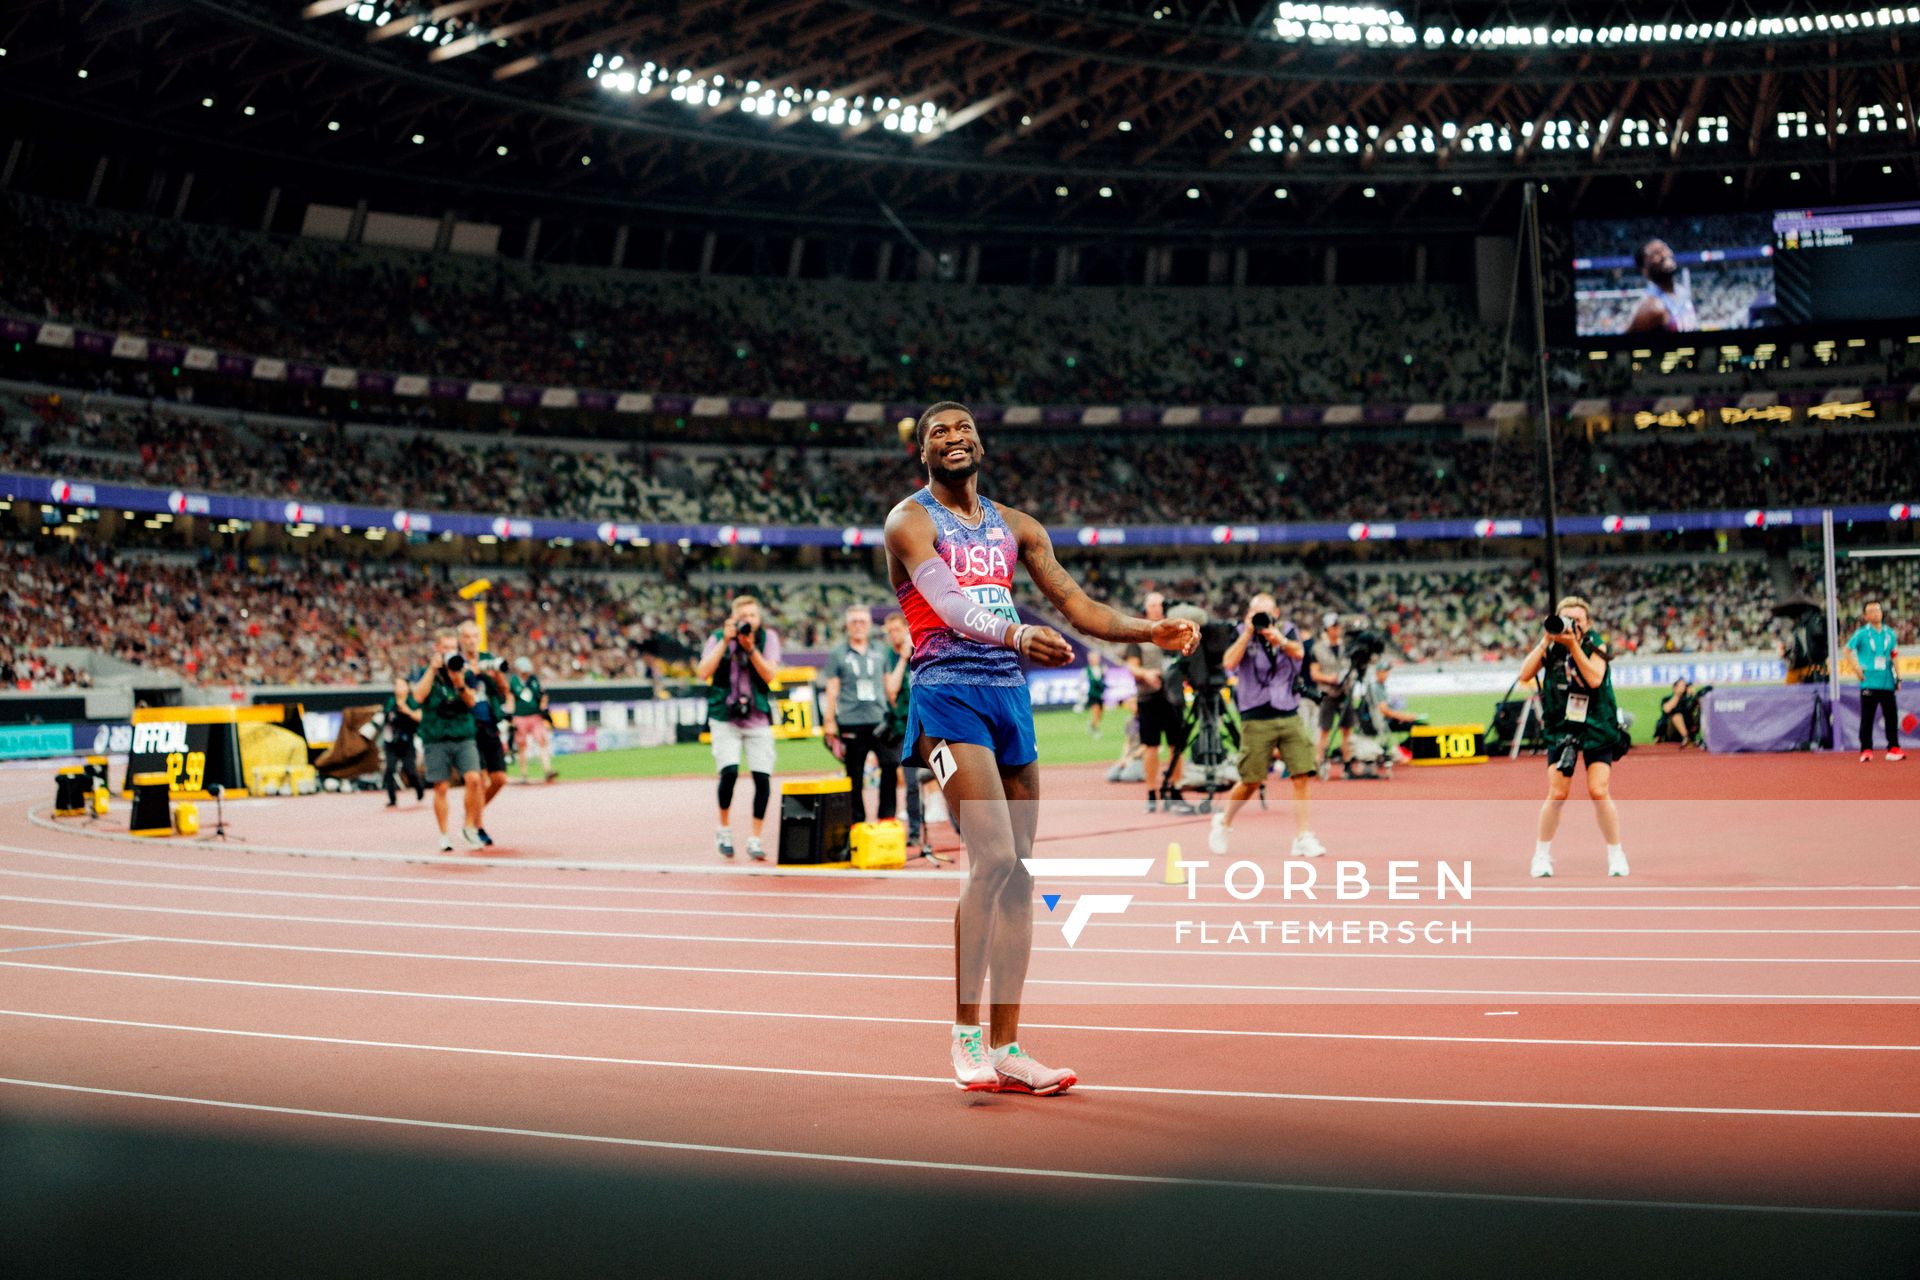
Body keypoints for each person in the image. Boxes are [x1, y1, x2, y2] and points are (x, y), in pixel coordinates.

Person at [886, 400, 1196, 1095]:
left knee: (1020, 873)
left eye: (963, 428)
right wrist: (1016, 635)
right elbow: (947, 603)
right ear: (924, 454)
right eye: (939, 432)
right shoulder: (908, 521)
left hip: (1008, 699)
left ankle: (1008, 1046)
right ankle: (965, 1038)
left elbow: (1077, 604)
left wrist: (1151, 634)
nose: (953, 437)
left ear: (981, 443)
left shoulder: (1018, 527)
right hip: (947, 693)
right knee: (991, 857)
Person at [1518, 597, 1630, 878]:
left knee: (1598, 790)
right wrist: (1546, 641)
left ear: (1587, 622)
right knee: (1557, 793)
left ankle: (1616, 853)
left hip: (1596, 723)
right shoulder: (1551, 643)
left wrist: (1573, 646)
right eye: (1566, 618)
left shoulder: (1595, 644)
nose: (1572, 624)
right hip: (1563, 725)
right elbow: (1524, 675)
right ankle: (1541, 855)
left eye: (1577, 619)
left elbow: (1593, 678)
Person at [1208, 593, 1324, 858]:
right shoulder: (1240, 633)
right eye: (1255, 614)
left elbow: (1299, 653)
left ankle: (1303, 836)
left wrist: (1278, 639)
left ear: (1277, 613)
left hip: (1287, 710)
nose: (1261, 619)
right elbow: (1228, 663)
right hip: (1256, 714)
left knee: (1301, 774)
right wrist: (1248, 633)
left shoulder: (1288, 631)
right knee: (1251, 780)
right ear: (1248, 615)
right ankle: (1224, 822)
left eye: (1266, 614)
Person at [696, 594, 783, 859]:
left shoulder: (768, 638)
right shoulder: (718, 636)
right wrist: (725, 641)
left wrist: (750, 648)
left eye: (753, 616)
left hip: (757, 716)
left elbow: (770, 674)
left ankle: (755, 838)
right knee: (729, 772)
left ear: (759, 618)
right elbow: (703, 671)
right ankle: (723, 829)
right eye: (743, 617)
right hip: (725, 716)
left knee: (762, 778)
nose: (749, 622)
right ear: (734, 618)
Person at [822, 605, 897, 824]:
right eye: (854, 621)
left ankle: (887, 817)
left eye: (862, 621)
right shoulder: (838, 653)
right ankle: (857, 821)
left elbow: (888, 685)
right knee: (854, 775)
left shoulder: (880, 650)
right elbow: (832, 688)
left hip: (880, 720)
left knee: (890, 766)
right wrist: (829, 721)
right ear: (847, 625)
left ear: (869, 625)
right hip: (850, 721)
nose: (858, 626)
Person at [409, 632, 484, 852]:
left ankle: (469, 826)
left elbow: (472, 702)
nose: (450, 652)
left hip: (463, 734)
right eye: (446, 648)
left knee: (473, 779)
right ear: (437, 649)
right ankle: (444, 834)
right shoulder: (426, 672)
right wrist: (433, 670)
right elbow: (417, 698)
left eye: (453, 647)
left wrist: (459, 683)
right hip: (436, 736)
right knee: (441, 786)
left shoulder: (464, 669)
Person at [882, 609, 943, 861]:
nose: (896, 634)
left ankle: (963, 826)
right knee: (910, 784)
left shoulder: (922, 649)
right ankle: (915, 832)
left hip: (930, 723)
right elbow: (891, 691)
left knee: (946, 775)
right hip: (904, 728)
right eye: (892, 631)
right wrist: (902, 659)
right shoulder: (888, 657)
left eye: (900, 629)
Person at [1125, 592, 1191, 814]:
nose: (1156, 608)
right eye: (1152, 605)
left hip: (1173, 696)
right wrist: (1145, 674)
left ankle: (1176, 790)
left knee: (1177, 746)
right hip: (1149, 697)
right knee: (1150, 746)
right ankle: (1152, 793)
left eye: (1160, 604)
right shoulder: (1139, 634)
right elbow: (1131, 666)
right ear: (1146, 608)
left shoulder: (1175, 631)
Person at [456, 621, 511, 845]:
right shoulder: (455, 663)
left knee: (499, 778)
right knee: (476, 780)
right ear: (460, 639)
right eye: (467, 637)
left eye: (475, 636)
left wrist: (494, 675)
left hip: (489, 725)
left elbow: (505, 692)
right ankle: (476, 825)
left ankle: (471, 816)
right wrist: (469, 673)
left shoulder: (488, 659)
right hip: (468, 727)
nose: (471, 640)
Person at [1845, 601, 1905, 763]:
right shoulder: (1862, 633)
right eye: (1871, 611)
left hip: (1887, 681)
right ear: (1865, 616)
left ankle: (1893, 747)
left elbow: (1894, 655)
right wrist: (1857, 668)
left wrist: (1898, 677)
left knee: (1891, 717)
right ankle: (1866, 749)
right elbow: (1847, 650)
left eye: (1878, 610)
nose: (1875, 613)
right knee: (1867, 717)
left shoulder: (1889, 633)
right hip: (1869, 682)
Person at [1626, 237, 1698, 334]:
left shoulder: (1682, 292)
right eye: (1655, 253)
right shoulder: (1651, 307)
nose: (1664, 255)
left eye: (1664, 248)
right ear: (1644, 270)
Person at [1309, 612, 1350, 780]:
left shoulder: (1345, 647)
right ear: (1327, 629)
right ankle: (1319, 764)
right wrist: (1330, 679)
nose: (1338, 629)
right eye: (1334, 626)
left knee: (1347, 730)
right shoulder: (1317, 648)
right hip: (1328, 692)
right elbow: (1314, 673)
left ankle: (1347, 765)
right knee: (1324, 730)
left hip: (1345, 692)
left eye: (1338, 626)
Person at [509, 656, 558, 783]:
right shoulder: (513, 681)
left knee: (542, 741)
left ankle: (548, 770)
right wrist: (511, 717)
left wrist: (543, 708)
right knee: (521, 745)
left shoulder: (534, 680)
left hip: (535, 716)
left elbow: (543, 695)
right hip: (520, 716)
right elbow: (511, 698)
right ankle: (524, 774)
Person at [381, 671, 425, 807]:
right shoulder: (391, 701)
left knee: (409, 770)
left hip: (407, 741)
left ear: (407, 687)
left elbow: (419, 717)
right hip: (391, 741)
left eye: (401, 685)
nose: (398, 688)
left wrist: (407, 711)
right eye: (397, 685)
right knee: (389, 769)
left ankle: (419, 790)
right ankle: (392, 799)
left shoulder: (412, 701)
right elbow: (386, 716)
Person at [1082, 652, 1106, 737]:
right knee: (1096, 712)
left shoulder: (1102, 668)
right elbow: (1083, 682)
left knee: (1100, 714)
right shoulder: (1086, 670)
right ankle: (1096, 730)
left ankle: (1092, 725)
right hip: (1092, 694)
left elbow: (1104, 680)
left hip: (1101, 694)